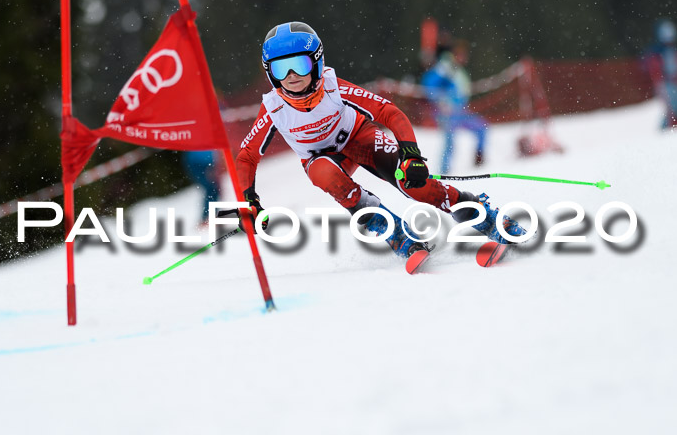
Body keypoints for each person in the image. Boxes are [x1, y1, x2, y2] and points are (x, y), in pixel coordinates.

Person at [234, 22, 525, 263]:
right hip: (322, 159)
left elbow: (389, 112)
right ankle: (396, 233)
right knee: (323, 172)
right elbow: (246, 156)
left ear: (317, 62)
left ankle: (490, 220)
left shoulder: (333, 87)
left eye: (298, 64)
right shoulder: (274, 108)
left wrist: (411, 155)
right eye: (281, 69)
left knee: (416, 185)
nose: (292, 77)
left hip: (359, 138)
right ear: (270, 72)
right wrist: (249, 201)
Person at [421, 38, 488, 174]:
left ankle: (479, 161)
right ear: (455, 54)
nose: (464, 59)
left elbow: (461, 90)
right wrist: (441, 101)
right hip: (446, 112)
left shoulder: (457, 69)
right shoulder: (444, 67)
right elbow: (429, 84)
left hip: (459, 111)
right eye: (462, 55)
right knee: (449, 141)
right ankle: (444, 172)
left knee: (482, 127)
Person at [645, 18, 677, 131]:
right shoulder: (656, 52)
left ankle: (667, 129)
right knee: (671, 108)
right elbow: (655, 71)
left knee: (673, 107)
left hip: (672, 83)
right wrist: (660, 83)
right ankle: (665, 130)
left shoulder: (672, 50)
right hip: (665, 84)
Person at [182, 150, 221, 226]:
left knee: (212, 188)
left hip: (201, 161)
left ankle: (208, 217)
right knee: (212, 188)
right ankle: (208, 218)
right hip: (203, 162)